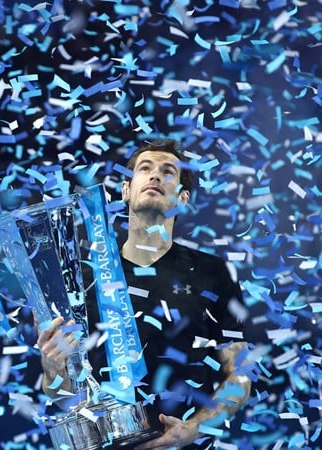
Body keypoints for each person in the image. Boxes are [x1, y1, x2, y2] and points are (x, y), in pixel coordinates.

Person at [38, 139, 253, 449]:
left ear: (182, 198)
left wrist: (193, 429)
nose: (155, 176)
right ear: (126, 190)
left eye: (168, 172)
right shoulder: (82, 280)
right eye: (145, 169)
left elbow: (241, 375)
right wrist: (52, 365)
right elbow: (63, 397)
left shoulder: (214, 272)